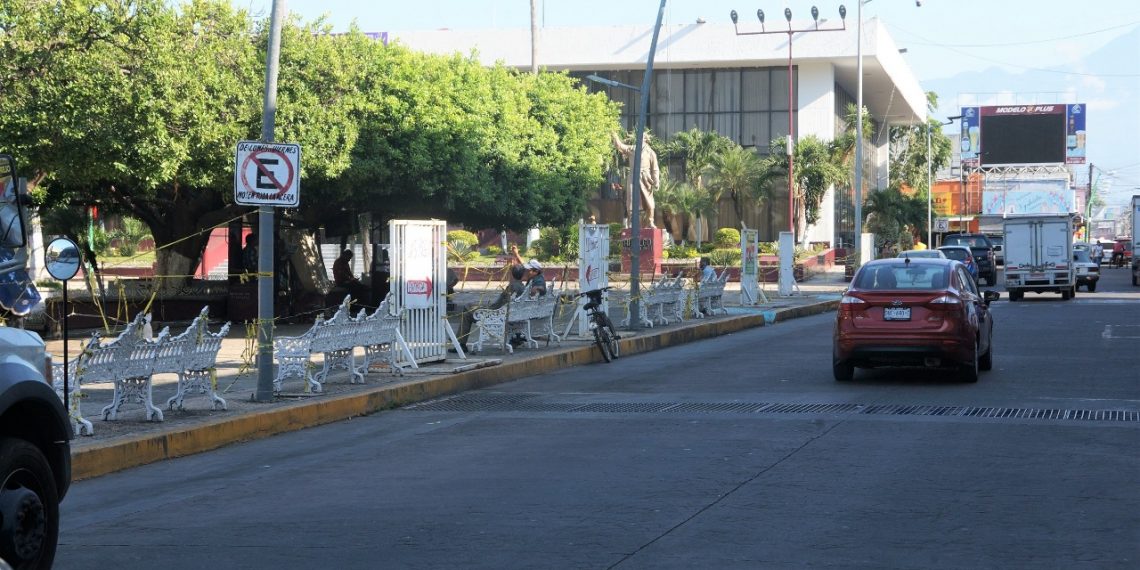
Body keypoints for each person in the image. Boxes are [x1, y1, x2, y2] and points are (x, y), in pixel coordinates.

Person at [455, 264, 527, 352]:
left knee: (467, 311)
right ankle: (458, 339)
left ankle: (460, 342)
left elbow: (501, 304)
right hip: (502, 312)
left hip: (495, 313)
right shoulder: (522, 287)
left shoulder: (512, 287)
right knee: (469, 306)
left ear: (512, 274)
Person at [610, 131, 660, 229]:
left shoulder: (650, 152)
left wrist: (656, 181)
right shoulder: (632, 149)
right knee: (631, 200)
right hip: (633, 176)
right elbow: (619, 146)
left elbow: (655, 169)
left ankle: (650, 221)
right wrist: (615, 136)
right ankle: (631, 221)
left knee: (649, 201)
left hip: (646, 178)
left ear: (645, 139)